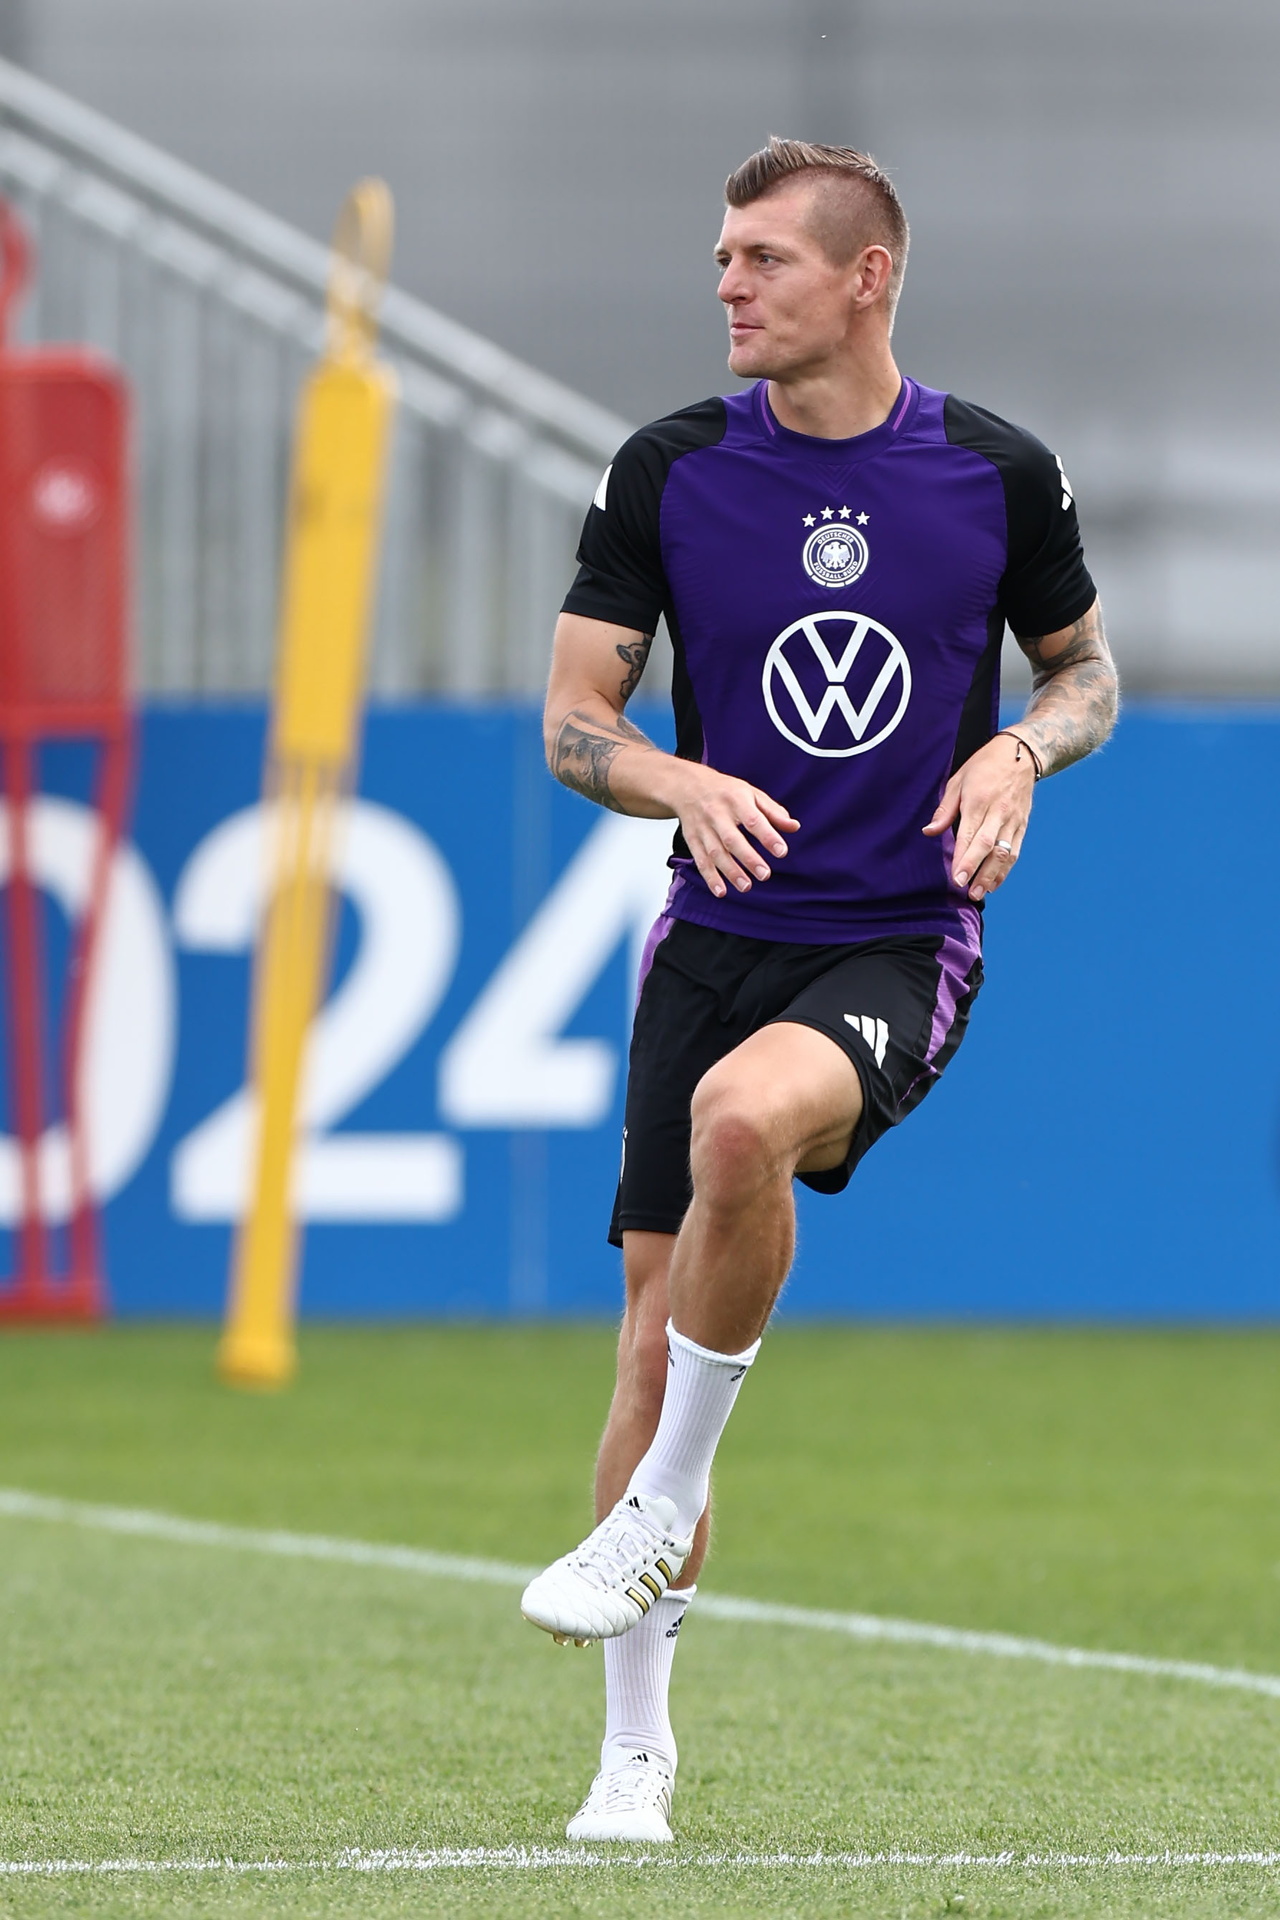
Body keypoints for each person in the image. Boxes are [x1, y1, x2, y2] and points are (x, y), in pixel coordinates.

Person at [522, 136, 1119, 1843]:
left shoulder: (997, 475)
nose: (727, 283)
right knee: (648, 1336)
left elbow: (1086, 674)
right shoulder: (668, 472)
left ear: (869, 278)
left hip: (897, 936)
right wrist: (675, 780)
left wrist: (1020, 747)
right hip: (710, 938)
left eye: (764, 258)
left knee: (742, 1124)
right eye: (723, 255)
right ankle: (634, 1754)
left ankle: (667, 1500)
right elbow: (574, 724)